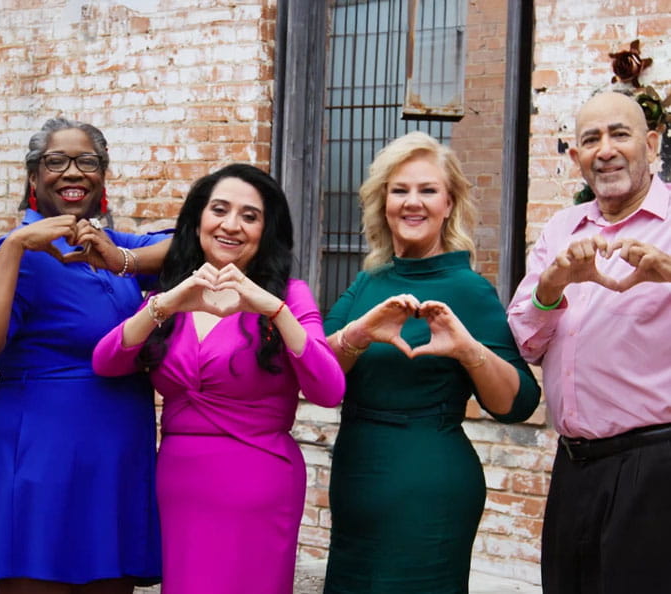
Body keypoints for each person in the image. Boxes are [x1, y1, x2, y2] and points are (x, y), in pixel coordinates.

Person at [92, 163, 345, 594]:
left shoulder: (288, 295)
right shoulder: (170, 295)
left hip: (259, 480)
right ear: (198, 220)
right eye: (220, 210)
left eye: (250, 216)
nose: (232, 225)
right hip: (180, 481)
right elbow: (106, 362)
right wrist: (165, 304)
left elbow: (328, 388)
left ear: (267, 230)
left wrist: (273, 309)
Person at [0, 117, 169, 594]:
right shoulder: (21, 254)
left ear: (103, 177)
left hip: (114, 458)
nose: (73, 172)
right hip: (42, 457)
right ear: (33, 178)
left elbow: (196, 246)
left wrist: (121, 259)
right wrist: (16, 245)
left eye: (86, 162)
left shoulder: (105, 243)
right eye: (56, 162)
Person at [322, 131, 540, 593]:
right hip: (357, 477)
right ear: (383, 202)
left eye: (427, 190)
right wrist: (360, 333)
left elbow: (517, 403)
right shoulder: (368, 282)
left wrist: (468, 350)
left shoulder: (469, 289)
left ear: (449, 203)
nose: (412, 202)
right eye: (399, 190)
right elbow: (319, 376)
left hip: (431, 486)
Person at [507, 91, 671, 593]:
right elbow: (526, 342)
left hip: (657, 467)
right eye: (590, 139)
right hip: (574, 466)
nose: (605, 150)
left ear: (651, 143)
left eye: (619, 134)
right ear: (576, 157)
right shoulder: (560, 230)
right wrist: (552, 286)